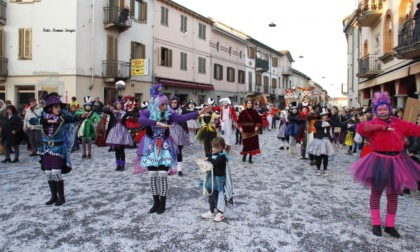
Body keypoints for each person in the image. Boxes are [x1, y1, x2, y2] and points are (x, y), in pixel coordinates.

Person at [351, 92, 420, 238]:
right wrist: (381, 128)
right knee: (376, 192)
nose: (383, 112)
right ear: (375, 110)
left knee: (393, 195)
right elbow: (360, 128)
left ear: (390, 109)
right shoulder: (373, 123)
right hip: (378, 162)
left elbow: (415, 129)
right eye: (379, 109)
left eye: (385, 109)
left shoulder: (399, 122)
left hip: (396, 162)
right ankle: (376, 223)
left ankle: (390, 225)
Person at [136, 84, 213, 214]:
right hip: (150, 147)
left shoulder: (168, 114)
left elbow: (182, 117)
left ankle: (163, 202)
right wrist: (156, 123)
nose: (165, 107)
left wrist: (199, 112)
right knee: (152, 175)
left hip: (164, 147)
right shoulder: (148, 113)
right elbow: (141, 120)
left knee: (162, 175)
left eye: (166, 104)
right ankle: (156, 201)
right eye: (162, 104)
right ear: (156, 104)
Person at [29, 93, 91, 206]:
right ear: (50, 108)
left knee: (56, 172)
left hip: (58, 148)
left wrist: (82, 116)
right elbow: (31, 121)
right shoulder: (44, 116)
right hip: (46, 148)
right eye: (56, 107)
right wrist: (45, 121)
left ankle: (61, 198)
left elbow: (73, 118)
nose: (58, 109)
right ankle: (53, 196)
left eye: (59, 107)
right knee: (48, 173)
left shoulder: (63, 117)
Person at [200, 137, 232, 222]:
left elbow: (216, 163)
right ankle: (211, 211)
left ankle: (220, 212)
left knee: (219, 196)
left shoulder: (222, 156)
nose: (213, 149)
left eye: (215, 147)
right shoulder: (213, 155)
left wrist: (208, 159)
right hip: (212, 178)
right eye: (212, 147)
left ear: (220, 147)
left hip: (218, 179)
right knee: (211, 194)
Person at [104, 96, 135, 171]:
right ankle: (118, 165)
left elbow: (135, 113)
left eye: (120, 104)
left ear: (121, 105)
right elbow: (104, 109)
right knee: (116, 150)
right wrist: (111, 109)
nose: (118, 105)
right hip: (115, 132)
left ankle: (122, 165)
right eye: (117, 104)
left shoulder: (124, 113)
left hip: (122, 132)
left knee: (122, 150)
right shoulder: (113, 113)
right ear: (115, 105)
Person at [169, 95, 191, 176]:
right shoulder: (168, 111)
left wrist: (200, 111)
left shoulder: (182, 111)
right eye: (172, 102)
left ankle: (179, 169)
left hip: (180, 132)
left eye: (175, 102)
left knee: (179, 151)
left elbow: (190, 113)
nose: (174, 104)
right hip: (170, 132)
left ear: (178, 103)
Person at [237, 99, 262, 164]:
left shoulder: (255, 112)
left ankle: (250, 158)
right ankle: (245, 155)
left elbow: (259, 121)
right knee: (246, 144)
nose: (249, 104)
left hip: (253, 130)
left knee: (252, 144)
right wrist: (240, 127)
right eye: (248, 103)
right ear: (246, 104)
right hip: (245, 130)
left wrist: (257, 126)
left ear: (252, 104)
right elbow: (239, 121)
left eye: (250, 103)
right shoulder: (243, 112)